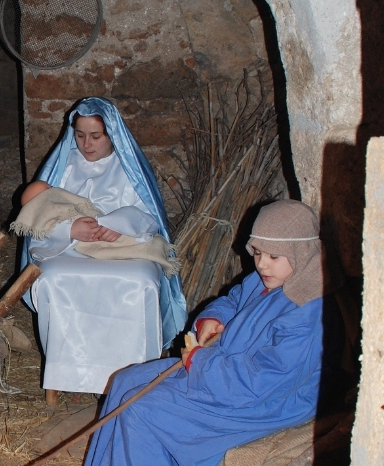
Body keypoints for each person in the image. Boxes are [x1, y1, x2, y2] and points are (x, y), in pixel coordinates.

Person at [85, 199, 332, 466]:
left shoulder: (309, 314)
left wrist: (200, 362)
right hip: (221, 370)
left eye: (273, 257)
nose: (262, 264)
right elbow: (234, 300)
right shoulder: (266, 280)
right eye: (258, 252)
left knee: (142, 411)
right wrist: (213, 318)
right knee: (126, 381)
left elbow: (264, 382)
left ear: (301, 253)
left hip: (260, 403)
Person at [15, 97, 188, 396]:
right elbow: (39, 219)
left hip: (122, 248)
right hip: (69, 249)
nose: (86, 144)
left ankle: (133, 378)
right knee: (52, 279)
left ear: (112, 135)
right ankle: (69, 373)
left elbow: (149, 217)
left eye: (96, 136)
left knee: (142, 281)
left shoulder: (129, 169)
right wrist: (70, 229)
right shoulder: (63, 168)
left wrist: (117, 224)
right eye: (80, 135)